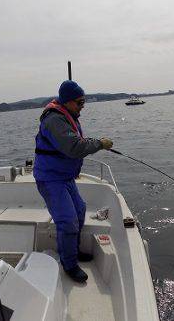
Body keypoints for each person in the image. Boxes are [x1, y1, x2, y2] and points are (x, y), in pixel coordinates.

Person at [33, 80, 113, 283]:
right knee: (68, 220)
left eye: (83, 102)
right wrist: (100, 144)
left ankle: (73, 252)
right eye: (79, 102)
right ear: (67, 102)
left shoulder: (68, 115)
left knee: (79, 210)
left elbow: (73, 144)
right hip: (50, 178)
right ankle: (68, 264)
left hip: (64, 176)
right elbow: (74, 147)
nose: (82, 106)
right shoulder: (54, 120)